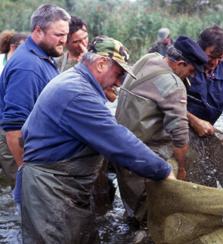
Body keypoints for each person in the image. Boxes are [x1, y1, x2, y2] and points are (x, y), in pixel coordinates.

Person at [19, 35, 175, 243]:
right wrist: (163, 171)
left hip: (63, 187)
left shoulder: (75, 81)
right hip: (50, 192)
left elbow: (24, 136)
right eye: (118, 73)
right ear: (101, 64)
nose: (120, 82)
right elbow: (119, 141)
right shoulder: (77, 93)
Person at [114, 35, 208, 225]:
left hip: (119, 148)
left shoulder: (149, 58)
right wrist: (181, 170)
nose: (192, 76)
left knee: (132, 209)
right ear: (180, 63)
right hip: (142, 155)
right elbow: (180, 137)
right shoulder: (174, 85)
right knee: (149, 217)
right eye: (191, 71)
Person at [0, 4, 70, 187]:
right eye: (59, 35)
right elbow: (13, 127)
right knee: (31, 204)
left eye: (66, 35)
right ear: (38, 31)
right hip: (22, 152)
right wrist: (27, 172)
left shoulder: (43, 55)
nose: (64, 40)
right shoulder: (28, 67)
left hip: (37, 147)